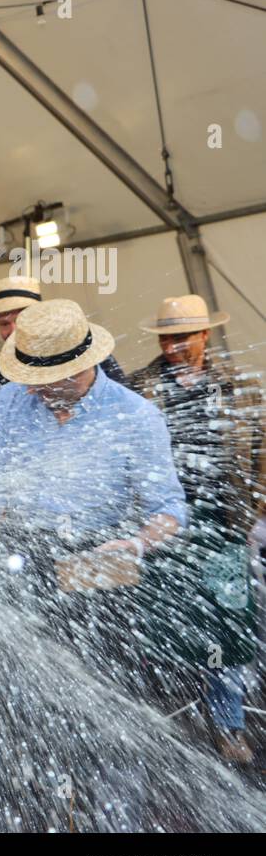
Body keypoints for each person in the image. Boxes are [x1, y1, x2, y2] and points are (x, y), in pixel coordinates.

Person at [0, 299, 187, 829]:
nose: (37, 391)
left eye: (49, 381)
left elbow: (168, 511)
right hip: (26, 558)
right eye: (32, 379)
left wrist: (136, 545)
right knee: (21, 711)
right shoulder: (10, 405)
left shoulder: (136, 416)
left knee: (112, 712)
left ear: (83, 364)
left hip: (103, 560)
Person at [127, 295, 263, 764]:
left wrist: (255, 513)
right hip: (163, 523)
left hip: (224, 523)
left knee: (225, 628)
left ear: (205, 335)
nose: (172, 346)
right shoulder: (141, 386)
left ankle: (228, 726)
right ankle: (167, 730)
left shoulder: (240, 387)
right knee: (164, 627)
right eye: (166, 337)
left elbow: (261, 452)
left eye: (182, 337)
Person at [0, 276, 125, 430]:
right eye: (4, 324)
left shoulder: (89, 355)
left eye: (20, 320)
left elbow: (124, 405)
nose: (13, 330)